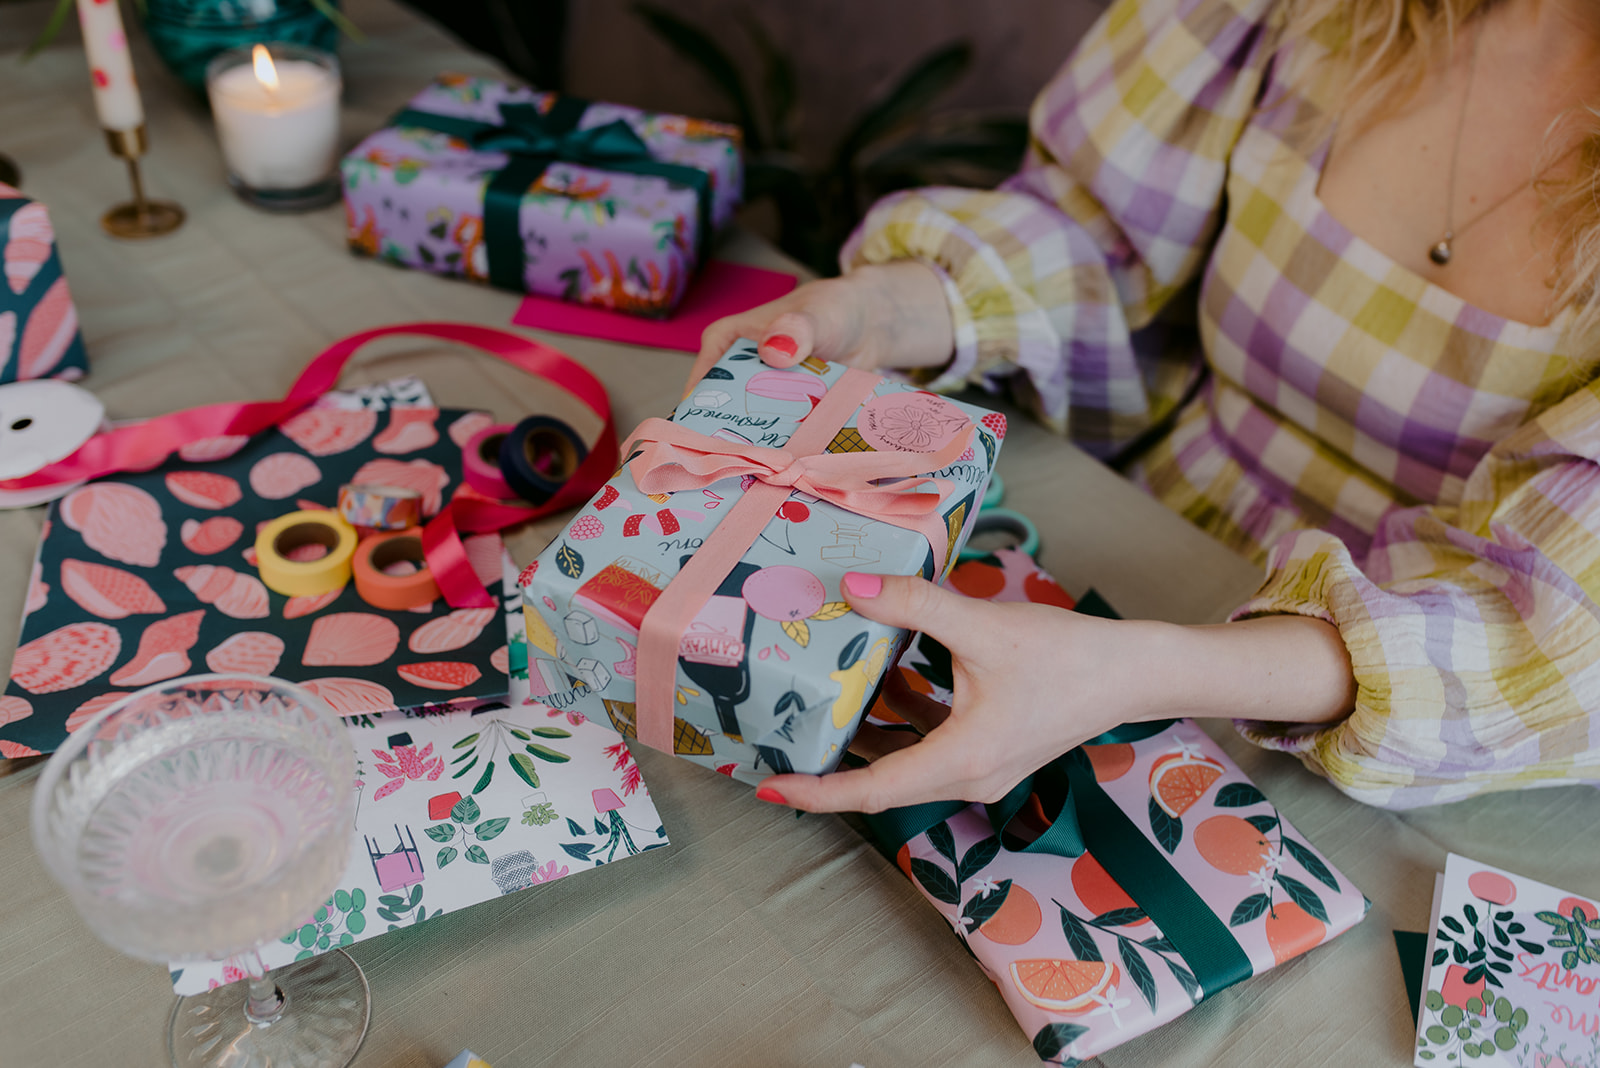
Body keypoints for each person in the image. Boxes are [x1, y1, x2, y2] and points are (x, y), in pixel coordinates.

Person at [700, 0, 1600, 813]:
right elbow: (1093, 228)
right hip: (1120, 521)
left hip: (1372, 719)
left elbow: (1550, 639)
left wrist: (1142, 670)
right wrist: (886, 309)